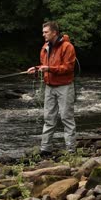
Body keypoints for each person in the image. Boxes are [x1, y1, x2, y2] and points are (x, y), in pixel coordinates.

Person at [27, 21, 77, 156]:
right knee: (48, 118)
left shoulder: (68, 47)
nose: (43, 35)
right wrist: (36, 69)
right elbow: (45, 66)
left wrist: (49, 69)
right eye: (43, 32)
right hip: (49, 87)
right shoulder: (45, 47)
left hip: (65, 86)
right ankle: (45, 149)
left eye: (46, 32)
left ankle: (71, 150)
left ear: (54, 32)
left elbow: (68, 68)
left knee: (67, 117)